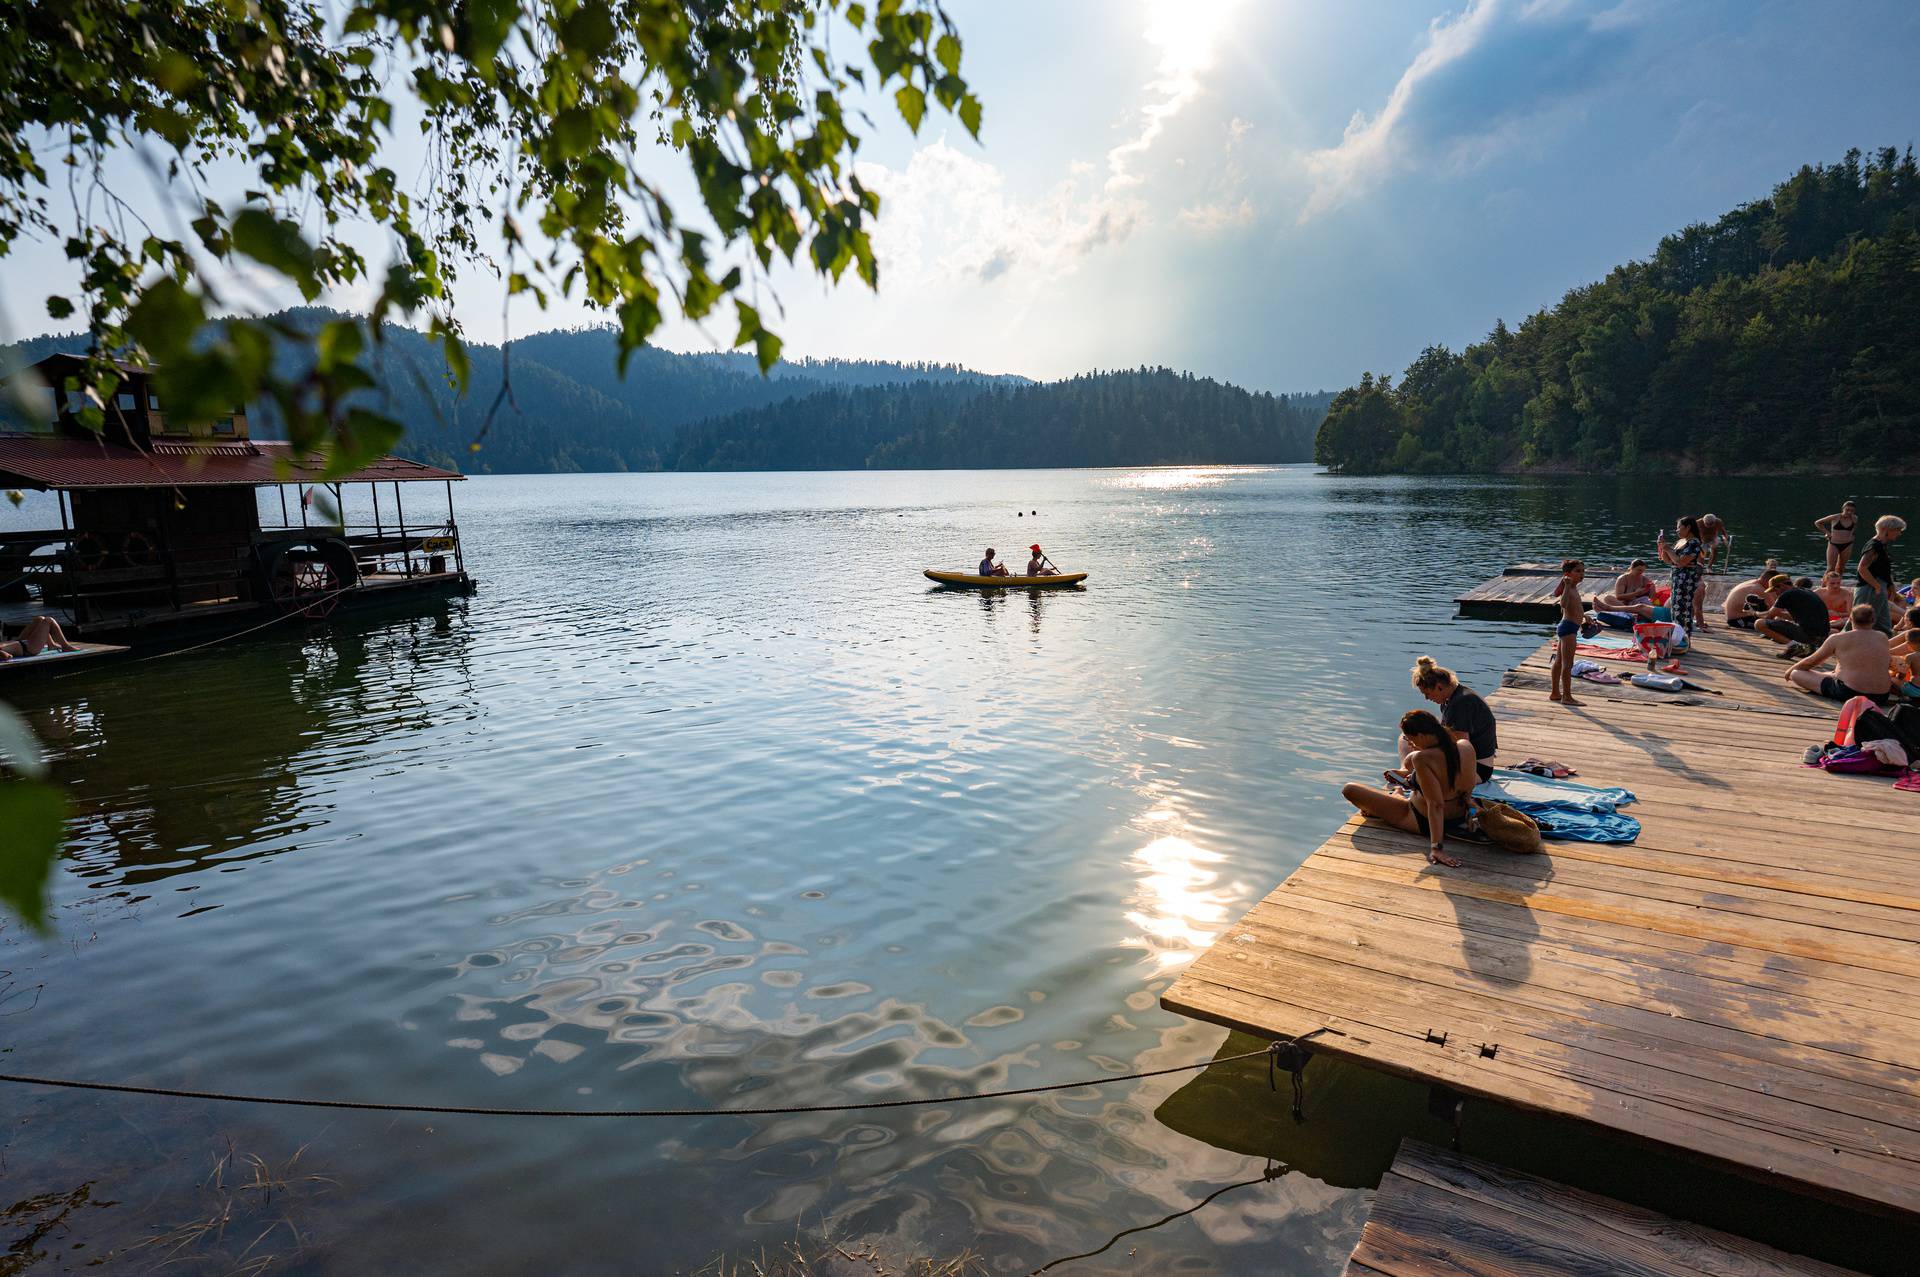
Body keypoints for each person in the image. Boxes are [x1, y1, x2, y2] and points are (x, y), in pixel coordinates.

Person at [1341, 709, 1475, 868]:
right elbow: (1462, 785)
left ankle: (1394, 797)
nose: (1411, 744)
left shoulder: (1422, 758)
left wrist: (1436, 848)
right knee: (1406, 777)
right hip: (1461, 815)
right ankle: (1397, 794)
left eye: (1411, 740)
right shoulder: (1465, 746)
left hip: (1420, 819)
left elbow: (1436, 804)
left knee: (1349, 789)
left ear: (1422, 736)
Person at [1407, 655, 1499, 782]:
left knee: (1416, 759)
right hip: (1467, 763)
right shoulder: (1450, 699)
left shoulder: (1461, 703)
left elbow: (1461, 748)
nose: (1427, 698)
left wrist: (1425, 748)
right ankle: (1407, 771)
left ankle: (1409, 774)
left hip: (1476, 769)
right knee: (1407, 737)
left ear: (1439, 687)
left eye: (1427, 693)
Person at [1786, 604, 1893, 703]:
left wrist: (1790, 671)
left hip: (1851, 692)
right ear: (1873, 620)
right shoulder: (1882, 637)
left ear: (1850, 619)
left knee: (1796, 673)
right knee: (1835, 672)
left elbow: (1810, 662)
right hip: (1881, 696)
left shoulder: (1838, 638)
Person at [1755, 578, 1832, 658]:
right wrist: (1778, 614)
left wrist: (1755, 613)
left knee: (1759, 624)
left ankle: (1795, 647)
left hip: (1808, 635)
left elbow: (1769, 617)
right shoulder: (1807, 592)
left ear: (1781, 586)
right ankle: (1808, 647)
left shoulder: (1786, 594)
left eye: (1775, 590)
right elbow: (1797, 617)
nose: (1776, 594)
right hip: (1822, 637)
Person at [1855, 516, 1905, 634]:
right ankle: (1843, 645)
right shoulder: (1874, 546)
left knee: (1883, 624)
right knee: (1861, 622)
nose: (1899, 533)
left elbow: (1883, 570)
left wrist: (1890, 586)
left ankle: (1886, 647)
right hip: (1869, 588)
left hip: (1879, 587)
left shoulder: (1882, 545)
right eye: (1898, 530)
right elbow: (1862, 568)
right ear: (1886, 529)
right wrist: (1877, 586)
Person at [1657, 517, 1707, 632]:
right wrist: (1663, 547)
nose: (1676, 530)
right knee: (1675, 611)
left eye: (1679, 527)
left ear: (1688, 527)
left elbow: (1680, 562)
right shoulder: (1681, 542)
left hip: (1686, 582)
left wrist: (1669, 549)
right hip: (1677, 582)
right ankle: (1678, 638)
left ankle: (1684, 639)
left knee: (1683, 611)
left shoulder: (1694, 543)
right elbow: (1669, 561)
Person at [1550, 559, 1585, 705]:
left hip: (1568, 626)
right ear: (1568, 574)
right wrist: (1566, 587)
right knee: (1567, 664)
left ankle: (1555, 693)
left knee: (1558, 662)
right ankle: (1567, 697)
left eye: (1583, 571)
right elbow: (1563, 604)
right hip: (1568, 628)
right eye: (1578, 571)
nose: (1582, 574)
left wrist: (1584, 617)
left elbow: (1572, 608)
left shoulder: (1573, 587)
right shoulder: (1569, 587)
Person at [0, 615, 78, 661]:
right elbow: (8, 656)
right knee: (49, 620)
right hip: (28, 648)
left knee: (39, 619)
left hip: (18, 641)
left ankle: (51, 644)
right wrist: (5, 653)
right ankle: (65, 646)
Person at [1816, 501, 1859, 576]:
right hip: (1834, 544)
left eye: (1852, 511)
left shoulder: (1855, 518)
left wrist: (1852, 535)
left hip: (1847, 544)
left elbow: (1854, 528)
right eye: (1847, 510)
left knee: (1841, 568)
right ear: (1843, 509)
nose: (1849, 512)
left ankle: (1837, 585)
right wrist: (1827, 533)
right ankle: (1824, 586)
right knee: (1830, 568)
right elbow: (1818, 523)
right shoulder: (1835, 517)